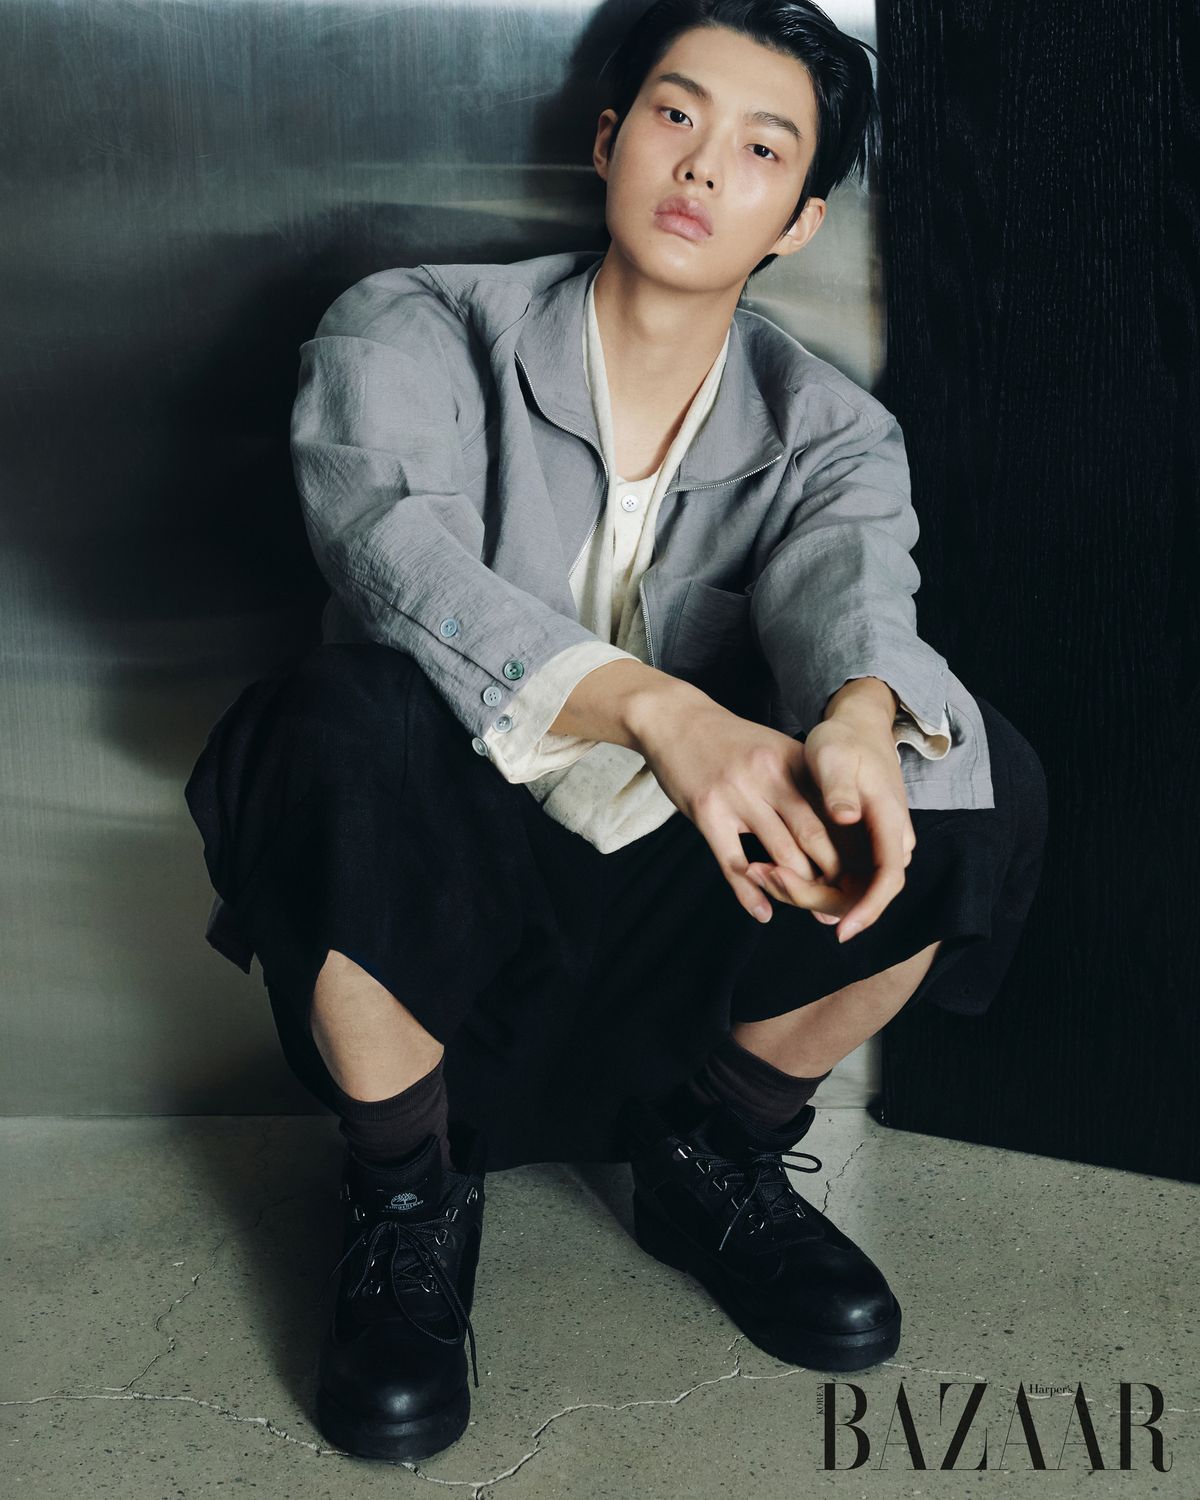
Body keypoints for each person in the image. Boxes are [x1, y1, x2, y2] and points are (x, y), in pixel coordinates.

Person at [184, 0, 1048, 1465]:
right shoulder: (412, 323)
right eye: (676, 114)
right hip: (437, 931)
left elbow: (855, 588)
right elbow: (391, 553)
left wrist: (856, 717)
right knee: (328, 720)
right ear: (608, 139)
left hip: (683, 942)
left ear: (800, 220)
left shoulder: (830, 426)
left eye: (761, 148)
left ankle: (715, 1154)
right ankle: (405, 1197)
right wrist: (663, 711)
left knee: (968, 773)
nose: (704, 164)